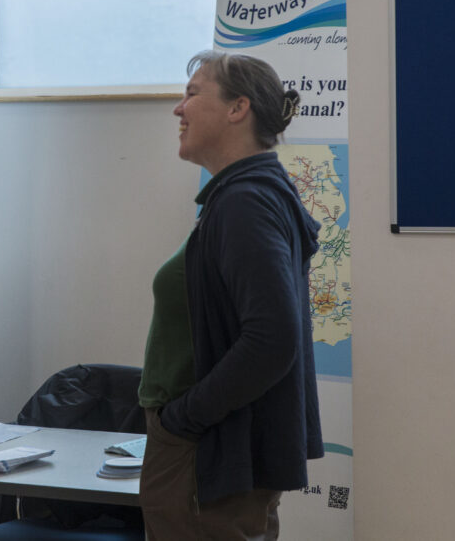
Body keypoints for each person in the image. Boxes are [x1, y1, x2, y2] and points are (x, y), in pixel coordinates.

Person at [137, 50, 323, 540]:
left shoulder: (245, 202)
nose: (179, 109)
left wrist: (183, 420)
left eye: (193, 94)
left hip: (208, 453)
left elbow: (272, 339)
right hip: (216, 450)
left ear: (238, 109)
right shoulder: (247, 194)